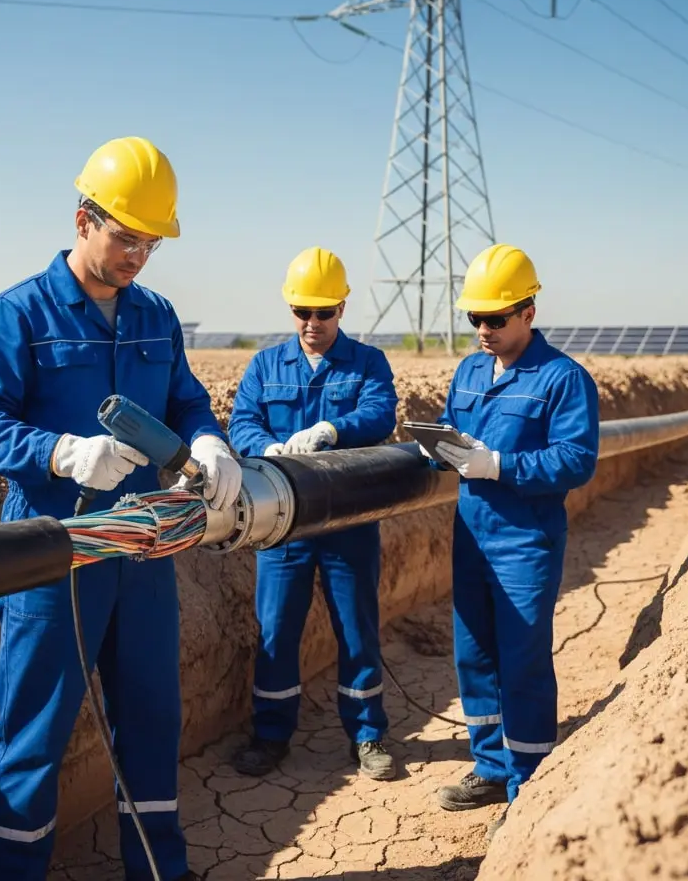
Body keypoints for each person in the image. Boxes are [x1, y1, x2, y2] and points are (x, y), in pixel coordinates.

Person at [0, 136, 242, 881]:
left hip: (143, 550)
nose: (138, 256)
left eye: (150, 243)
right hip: (54, 554)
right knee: (33, 740)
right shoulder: (16, 315)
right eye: (125, 238)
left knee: (151, 726)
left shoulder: (156, 316)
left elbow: (186, 401)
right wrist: (61, 453)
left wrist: (211, 444)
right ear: (84, 219)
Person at [426, 243, 599, 842]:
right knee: (474, 655)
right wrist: (437, 448)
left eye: (495, 319)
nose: (482, 330)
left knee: (521, 659)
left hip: (524, 540)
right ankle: (492, 768)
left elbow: (576, 460)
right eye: (474, 318)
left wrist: (499, 464)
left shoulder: (563, 379)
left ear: (528, 312)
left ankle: (528, 779)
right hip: (471, 533)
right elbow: (455, 432)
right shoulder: (470, 371)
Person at [226, 247, 400, 781]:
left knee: (357, 629)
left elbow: (380, 413)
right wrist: (264, 447)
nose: (312, 323)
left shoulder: (367, 363)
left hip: (348, 520)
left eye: (323, 312)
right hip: (283, 525)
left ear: (342, 309)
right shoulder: (266, 365)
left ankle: (368, 736)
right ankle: (271, 734)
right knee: (277, 630)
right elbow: (242, 422)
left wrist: (332, 430)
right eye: (302, 311)